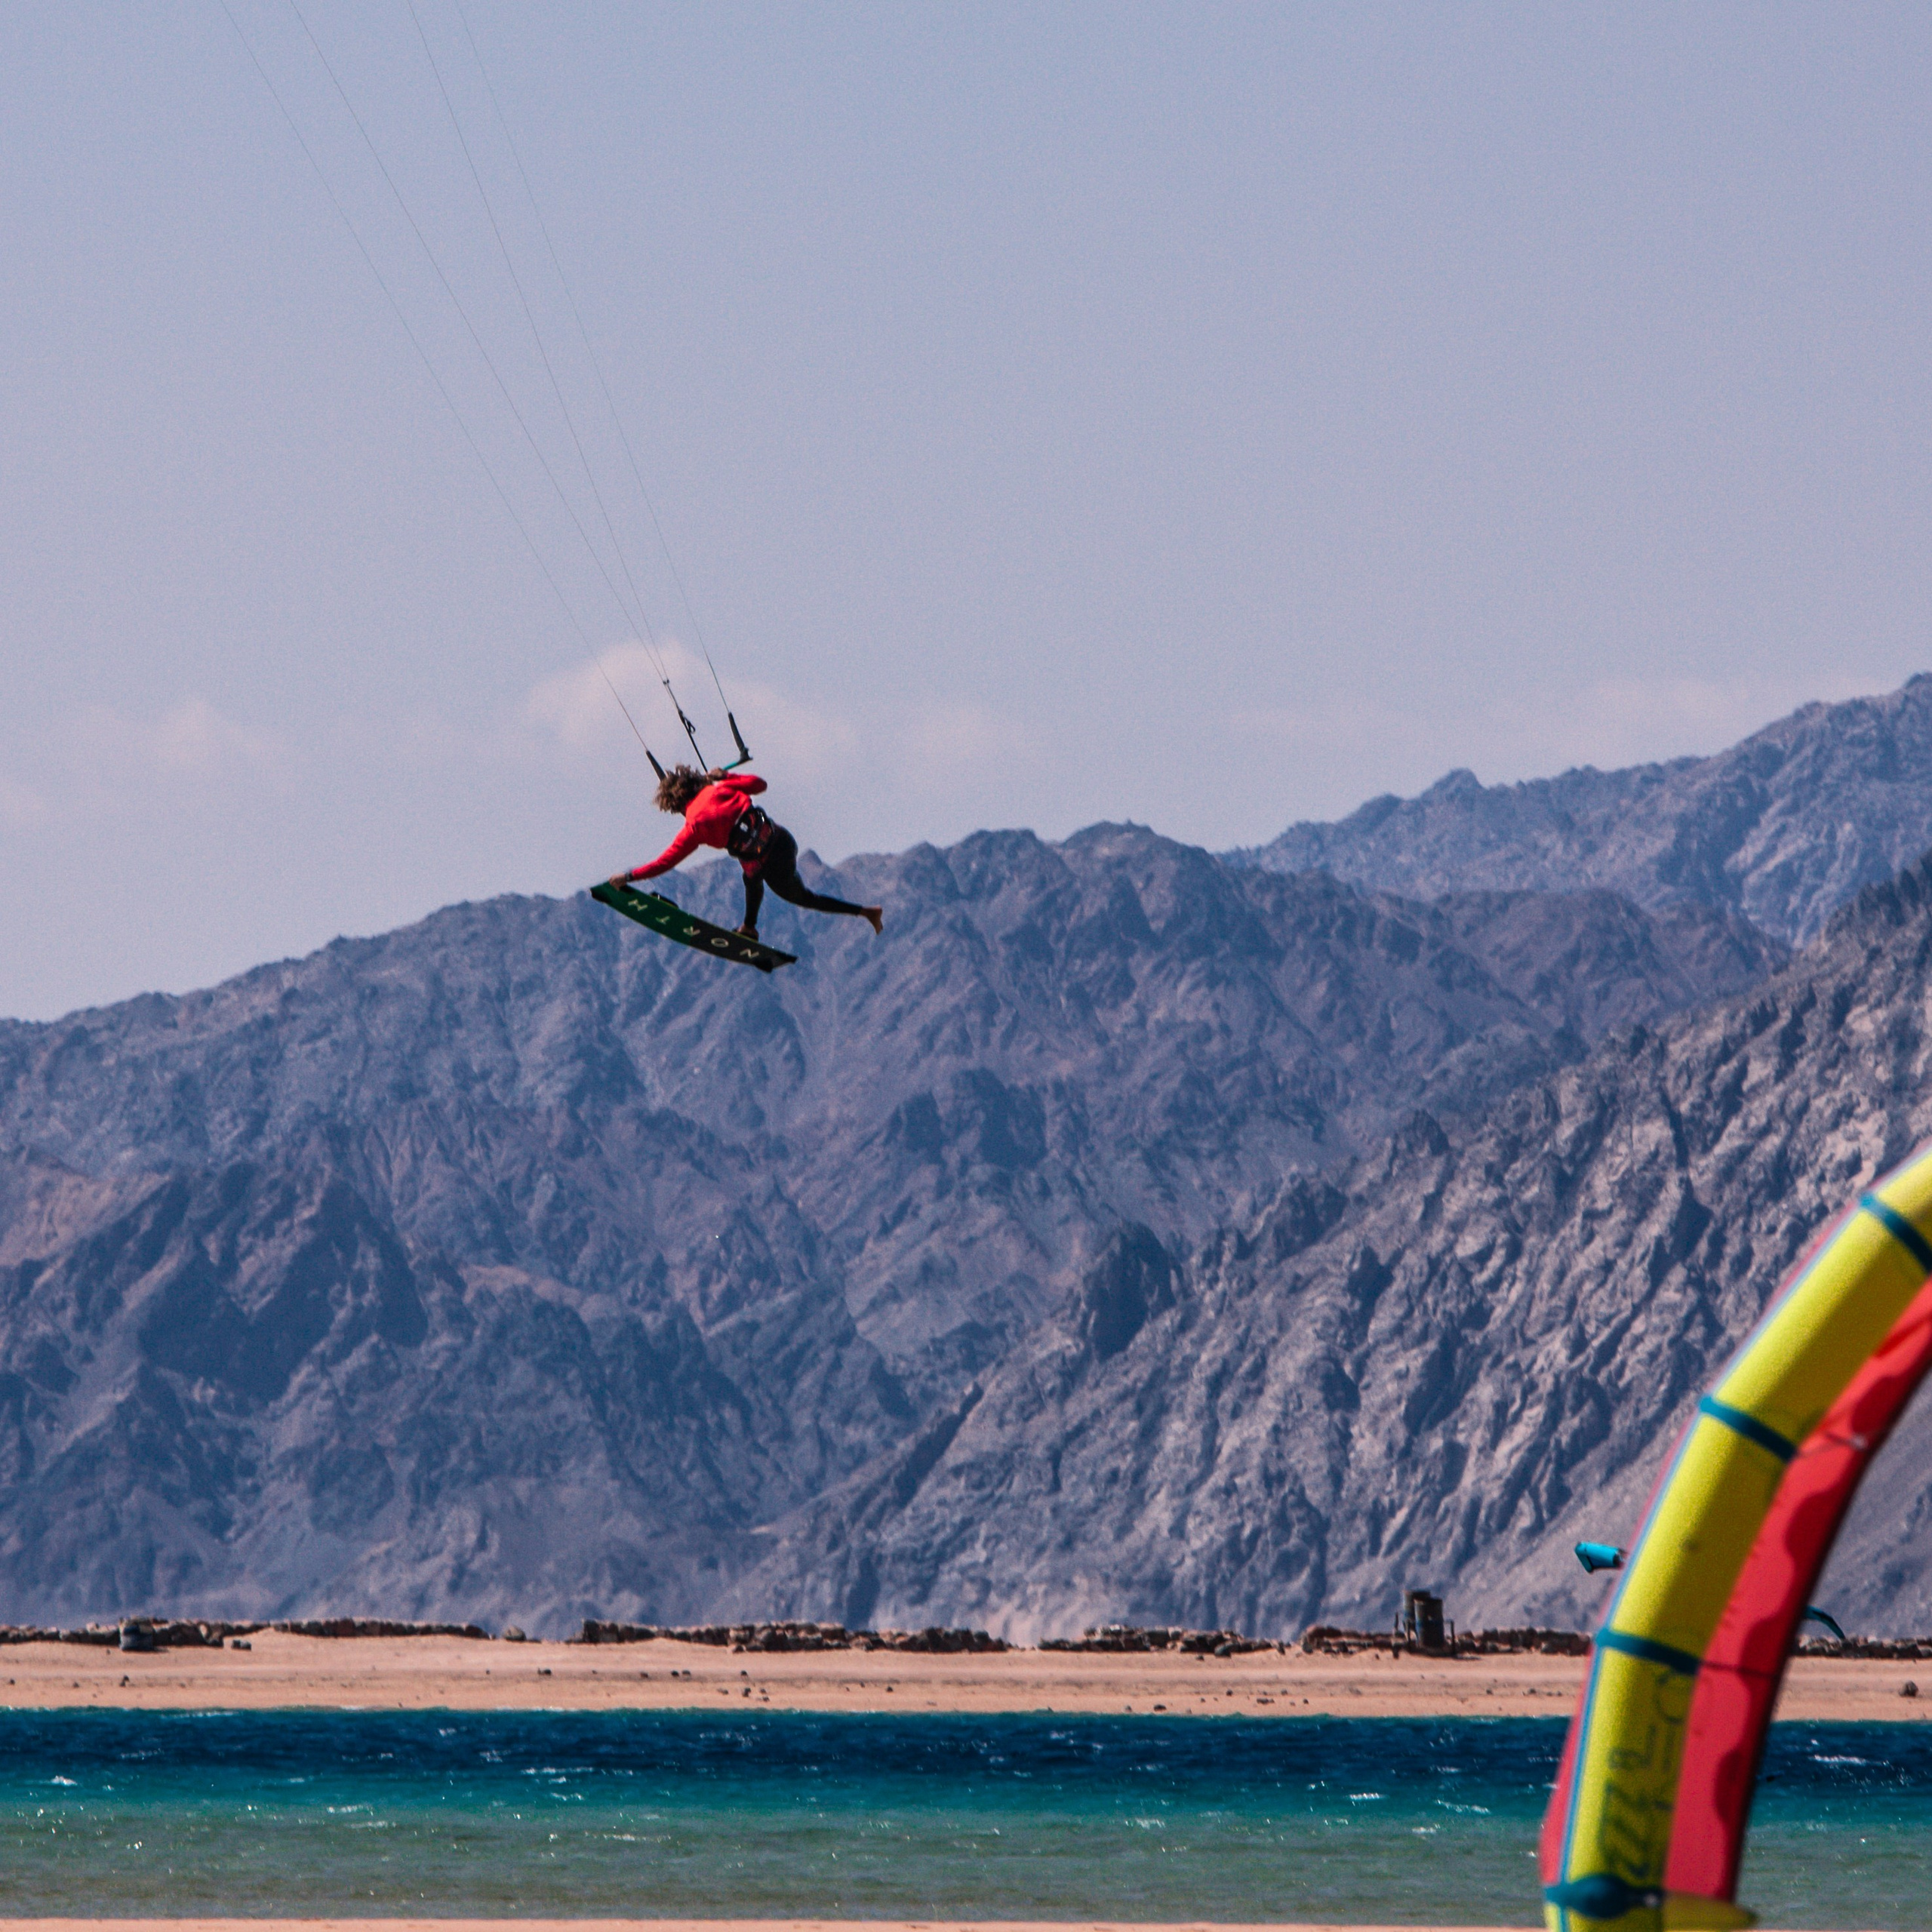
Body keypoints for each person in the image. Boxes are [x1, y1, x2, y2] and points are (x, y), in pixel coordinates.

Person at [609, 765, 884, 942]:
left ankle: (865, 912)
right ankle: (749, 927)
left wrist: (629, 876)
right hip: (784, 841)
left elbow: (664, 863)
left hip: (768, 862)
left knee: (795, 894)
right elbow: (760, 785)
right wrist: (725, 776)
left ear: (676, 805)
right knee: (751, 875)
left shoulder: (694, 826)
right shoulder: (721, 788)